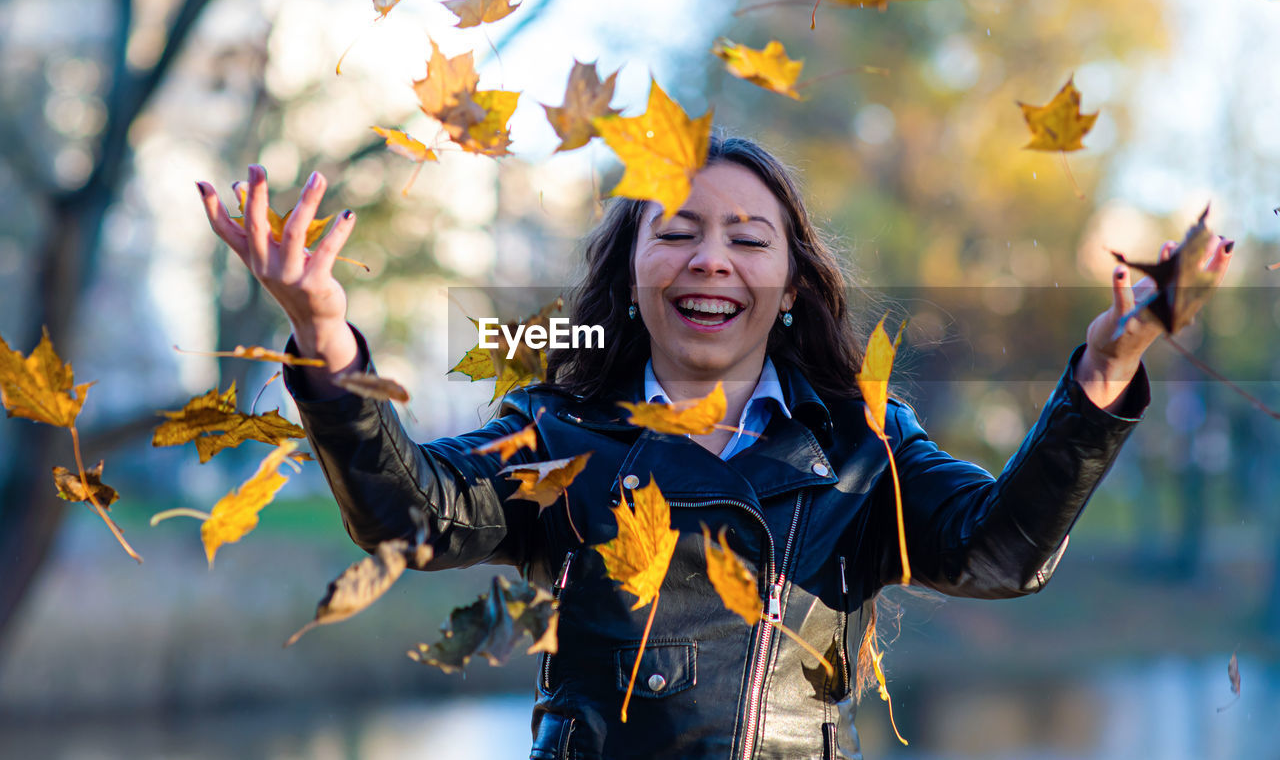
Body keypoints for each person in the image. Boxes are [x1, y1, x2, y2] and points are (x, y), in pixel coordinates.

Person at [198, 136, 1231, 760]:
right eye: (678, 230)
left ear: (789, 285)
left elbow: (1000, 552)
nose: (710, 258)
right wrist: (325, 338)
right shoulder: (557, 430)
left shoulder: (858, 444)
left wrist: (1101, 371)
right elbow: (406, 512)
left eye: (747, 239)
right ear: (631, 268)